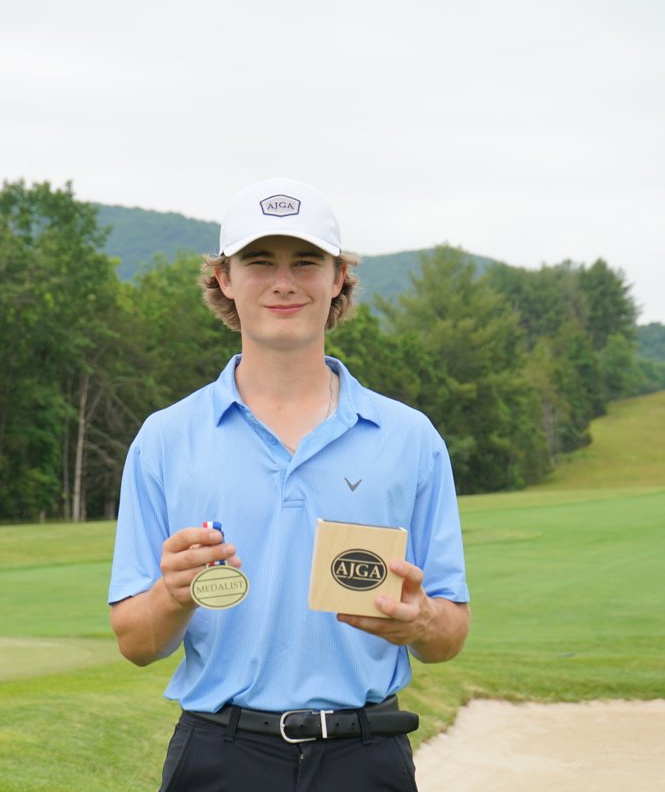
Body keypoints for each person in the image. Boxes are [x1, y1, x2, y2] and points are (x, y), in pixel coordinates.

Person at [108, 177, 470, 791]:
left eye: (306, 262)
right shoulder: (166, 439)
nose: (283, 282)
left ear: (338, 279)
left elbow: (450, 633)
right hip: (219, 754)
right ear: (224, 278)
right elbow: (137, 643)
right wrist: (173, 595)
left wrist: (423, 622)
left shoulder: (409, 437)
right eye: (259, 261)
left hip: (366, 755)